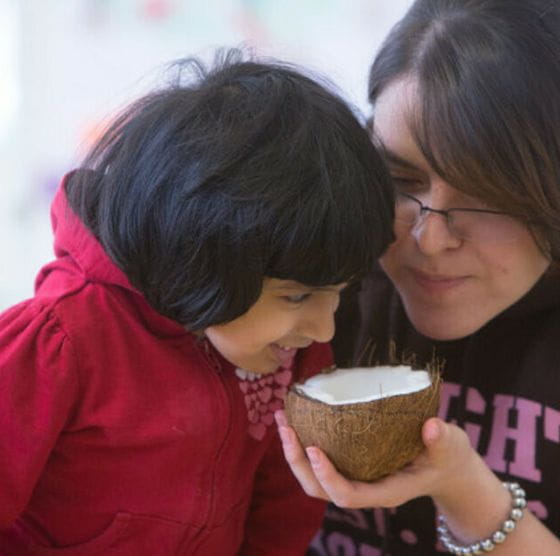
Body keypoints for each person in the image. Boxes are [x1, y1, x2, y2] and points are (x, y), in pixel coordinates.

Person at [276, 0, 560, 554]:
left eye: (485, 199)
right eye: (401, 178)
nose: (430, 238)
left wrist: (469, 496)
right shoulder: (324, 228)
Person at [0, 49, 395, 554]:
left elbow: (283, 506)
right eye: (298, 295)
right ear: (201, 259)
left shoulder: (285, 352)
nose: (324, 329)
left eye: (339, 294)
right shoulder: (61, 340)